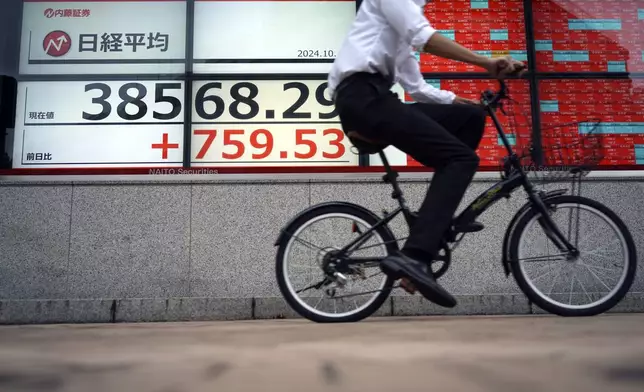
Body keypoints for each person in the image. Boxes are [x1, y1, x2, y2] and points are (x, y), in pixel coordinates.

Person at [328, 0, 526, 308]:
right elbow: (425, 37)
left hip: (375, 98)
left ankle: (433, 223)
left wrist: (462, 103)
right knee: (462, 160)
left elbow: (417, 87)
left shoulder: (402, 25)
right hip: (363, 99)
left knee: (471, 119)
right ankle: (417, 255)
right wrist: (486, 63)